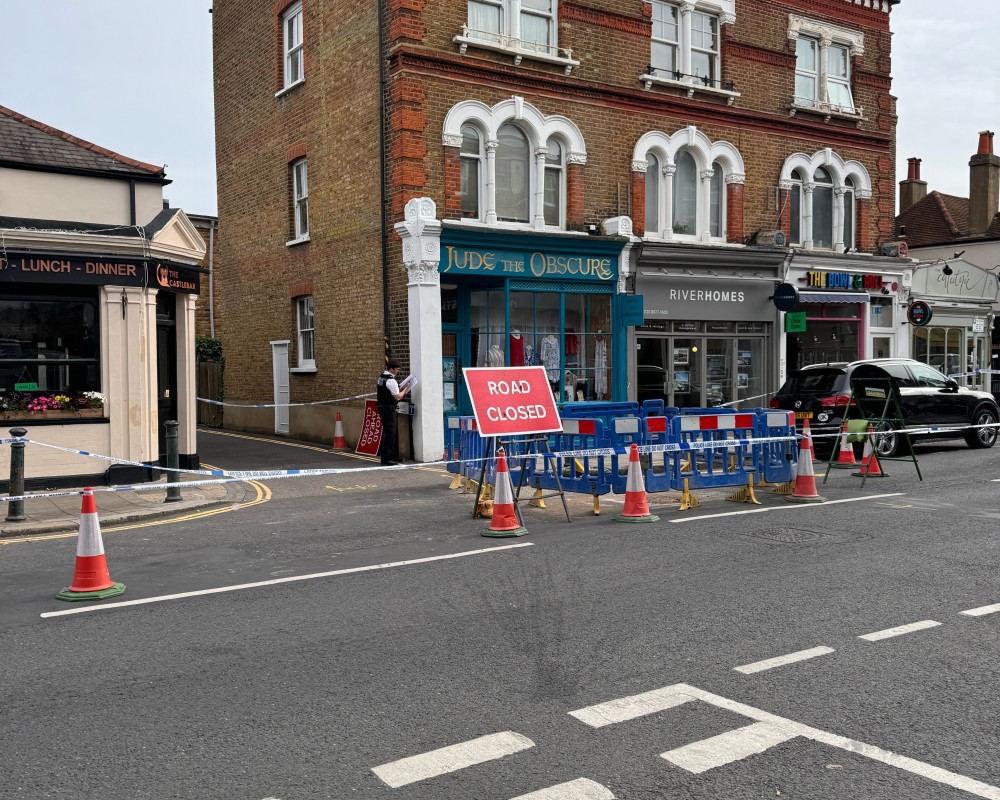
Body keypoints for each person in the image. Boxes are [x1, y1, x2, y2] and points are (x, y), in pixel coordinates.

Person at [376, 359, 409, 465]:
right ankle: (386, 458)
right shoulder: (390, 380)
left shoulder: (382, 376)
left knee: (391, 432)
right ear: (392, 369)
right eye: (397, 369)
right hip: (388, 408)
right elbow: (398, 397)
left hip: (382, 407)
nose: (398, 371)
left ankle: (393, 456)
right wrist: (405, 389)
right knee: (390, 433)